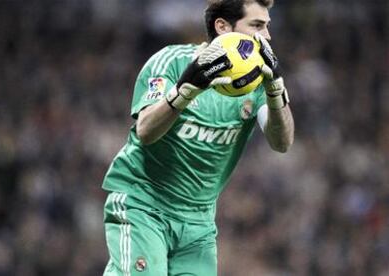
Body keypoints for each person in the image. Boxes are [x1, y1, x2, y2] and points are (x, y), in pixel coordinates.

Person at [102, 0, 294, 275]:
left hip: (198, 224)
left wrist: (276, 90)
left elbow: (282, 142)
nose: (267, 37)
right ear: (223, 28)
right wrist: (185, 91)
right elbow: (145, 131)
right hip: (143, 205)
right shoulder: (173, 62)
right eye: (257, 25)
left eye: (267, 26)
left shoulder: (258, 84)